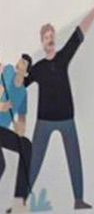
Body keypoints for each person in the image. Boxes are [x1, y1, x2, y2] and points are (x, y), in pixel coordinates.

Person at [26, 0, 94, 211]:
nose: (50, 40)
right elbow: (19, 84)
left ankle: (78, 200)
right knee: (34, 162)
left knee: (74, 159)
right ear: (42, 42)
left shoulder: (63, 57)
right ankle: (20, 200)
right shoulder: (38, 68)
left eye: (52, 36)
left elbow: (80, 32)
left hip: (66, 119)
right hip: (44, 122)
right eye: (46, 37)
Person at [0, 52, 32, 213]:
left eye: (24, 64)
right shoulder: (7, 72)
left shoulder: (23, 93)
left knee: (1, 165)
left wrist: (21, 127)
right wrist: (0, 106)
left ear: (26, 73)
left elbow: (22, 117)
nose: (20, 64)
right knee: (25, 146)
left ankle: (18, 204)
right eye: (20, 61)